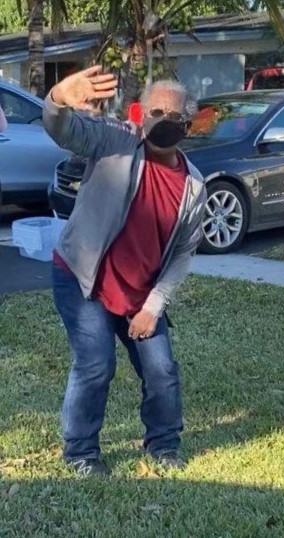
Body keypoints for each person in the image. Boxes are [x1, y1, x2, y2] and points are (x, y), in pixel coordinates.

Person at [42, 65, 207, 475]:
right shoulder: (115, 140)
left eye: (172, 117)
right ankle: (81, 454)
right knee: (96, 365)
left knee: (162, 370)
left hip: (141, 293)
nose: (161, 122)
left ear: (187, 124)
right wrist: (59, 99)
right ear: (140, 113)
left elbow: (184, 252)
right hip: (84, 280)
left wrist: (154, 305)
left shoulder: (194, 186)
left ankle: (163, 446)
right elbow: (64, 130)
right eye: (154, 112)